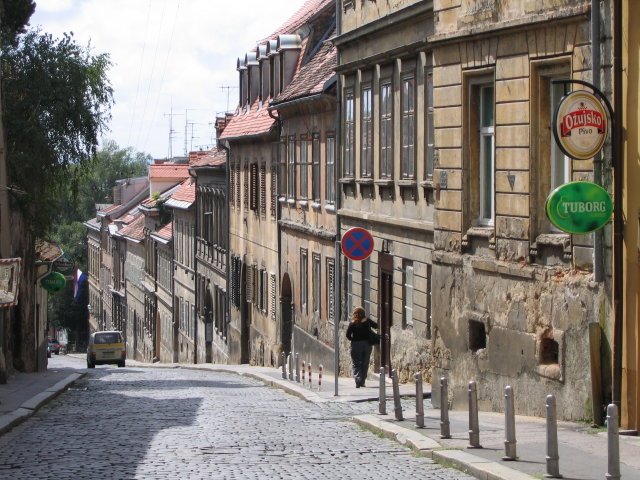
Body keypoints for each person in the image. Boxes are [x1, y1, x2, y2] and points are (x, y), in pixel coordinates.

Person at [345, 306, 378, 388]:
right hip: (367, 345)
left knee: (356, 363)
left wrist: (353, 339)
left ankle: (358, 379)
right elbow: (376, 326)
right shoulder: (367, 321)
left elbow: (348, 335)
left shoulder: (352, 323)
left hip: (356, 345)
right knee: (365, 363)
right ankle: (362, 381)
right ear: (363, 314)